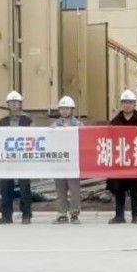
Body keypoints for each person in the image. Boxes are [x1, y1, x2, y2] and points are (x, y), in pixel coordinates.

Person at [107, 89, 137, 225]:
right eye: (125, 102)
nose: (127, 105)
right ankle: (119, 215)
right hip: (120, 159)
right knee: (119, 189)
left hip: (134, 159)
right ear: (121, 104)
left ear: (134, 104)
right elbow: (109, 139)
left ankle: (136, 215)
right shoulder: (115, 121)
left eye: (130, 102)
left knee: (135, 189)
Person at [0, 91, 34, 225]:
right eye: (11, 102)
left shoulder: (28, 121)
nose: (14, 104)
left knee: (24, 188)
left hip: (23, 159)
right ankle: (6, 216)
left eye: (16, 102)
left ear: (20, 104)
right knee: (5, 187)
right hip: (7, 159)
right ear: (8, 105)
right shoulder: (2, 122)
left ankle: (26, 215)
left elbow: (34, 136)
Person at [52, 96, 84, 224]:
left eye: (67, 108)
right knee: (60, 189)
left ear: (72, 110)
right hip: (59, 161)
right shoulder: (54, 126)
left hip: (73, 163)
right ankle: (62, 213)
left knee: (74, 190)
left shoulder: (78, 125)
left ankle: (74, 214)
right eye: (62, 108)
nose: (64, 111)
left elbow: (85, 140)